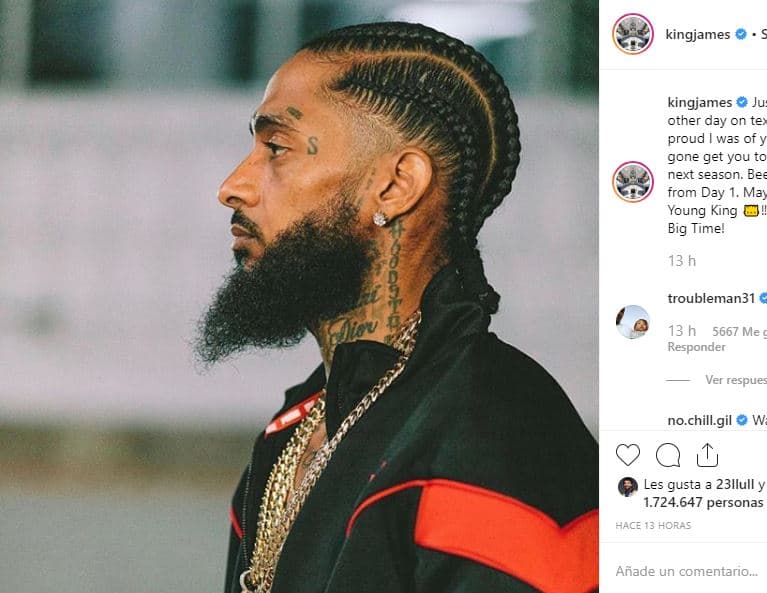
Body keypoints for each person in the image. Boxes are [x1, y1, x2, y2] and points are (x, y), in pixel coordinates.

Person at [196, 22, 597, 593]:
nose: (233, 186)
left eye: (277, 149)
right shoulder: (293, 433)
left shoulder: (495, 434)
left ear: (395, 186)